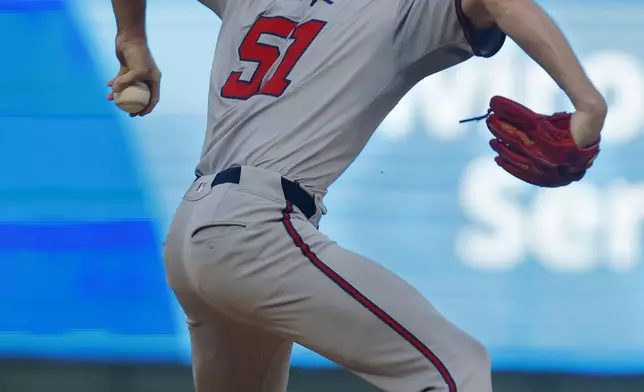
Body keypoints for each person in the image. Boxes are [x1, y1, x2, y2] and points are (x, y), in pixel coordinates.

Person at [108, 0, 607, 390]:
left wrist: (132, 39)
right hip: (256, 229)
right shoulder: (396, 11)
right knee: (456, 368)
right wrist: (589, 103)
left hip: (191, 233)